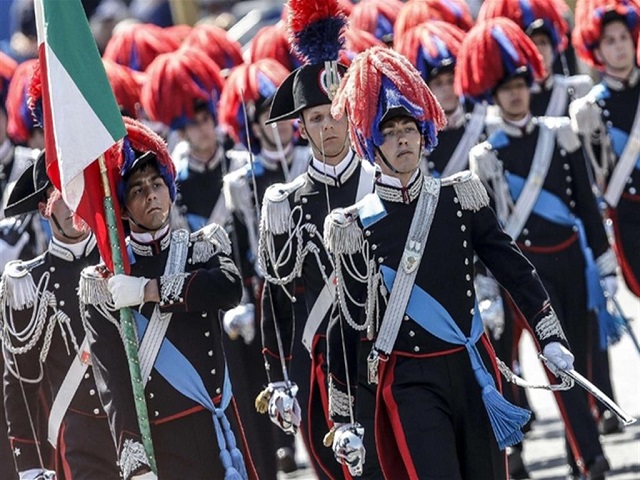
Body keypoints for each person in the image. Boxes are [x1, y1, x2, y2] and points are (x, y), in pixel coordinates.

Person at [322, 45, 575, 480]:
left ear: (424, 134)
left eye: (409, 128)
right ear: (370, 143)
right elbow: (345, 323)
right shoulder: (354, 226)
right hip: (410, 379)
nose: (402, 139)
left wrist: (548, 334)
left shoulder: (460, 198)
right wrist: (343, 416)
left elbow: (511, 265)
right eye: (389, 131)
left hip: (473, 366)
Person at [460, 18, 616, 479]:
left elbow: (586, 203)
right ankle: (579, 456)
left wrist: (604, 260)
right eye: (505, 88)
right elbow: (484, 233)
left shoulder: (558, 133)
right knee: (540, 366)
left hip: (572, 258)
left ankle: (578, 455)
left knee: (581, 360)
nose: (515, 95)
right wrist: (487, 288)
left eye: (521, 86)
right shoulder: (486, 155)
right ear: (493, 94)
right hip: (524, 272)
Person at [81, 118, 256, 480]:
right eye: (137, 189)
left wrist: (149, 290)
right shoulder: (104, 281)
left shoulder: (201, 246)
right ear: (123, 208)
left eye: (157, 184)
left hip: (218, 424)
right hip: (164, 438)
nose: (150, 195)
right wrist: (134, 460)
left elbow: (227, 287)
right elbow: (112, 379)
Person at [256, 0, 378, 478]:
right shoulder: (286, 202)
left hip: (390, 352)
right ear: (300, 127)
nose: (329, 126)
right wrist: (278, 377)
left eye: (336, 113)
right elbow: (276, 298)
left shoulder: (382, 182)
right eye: (317, 118)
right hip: (327, 364)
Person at [1, 151, 118, 480]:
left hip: (142, 419)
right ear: (44, 209)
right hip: (81, 436)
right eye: (62, 198)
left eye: (79, 192)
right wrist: (29, 463)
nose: (74, 206)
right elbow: (21, 382)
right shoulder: (30, 284)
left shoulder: (120, 259)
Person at [218, 58, 309, 477]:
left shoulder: (311, 159)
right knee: (274, 382)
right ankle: (281, 447)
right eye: (268, 116)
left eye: (285, 113)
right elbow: (238, 248)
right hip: (268, 295)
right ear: (254, 126)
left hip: (314, 288)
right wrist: (242, 301)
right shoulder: (240, 181)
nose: (280, 124)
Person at [570, 0, 640, 299]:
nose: (619, 46)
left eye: (624, 37)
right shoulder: (588, 110)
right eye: (610, 41)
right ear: (597, 51)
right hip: (627, 213)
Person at [140, 47, 232, 233]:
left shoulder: (238, 162)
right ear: (181, 133)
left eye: (205, 118)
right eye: (193, 124)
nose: (203, 129)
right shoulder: (172, 181)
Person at [394, 20, 487, 177]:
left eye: (451, 81)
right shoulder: (419, 141)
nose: (447, 89)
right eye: (438, 84)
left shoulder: (483, 126)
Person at [477, 0, 593, 117]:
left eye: (543, 42)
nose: (537, 50)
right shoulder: (499, 107)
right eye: (530, 43)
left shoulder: (578, 89)